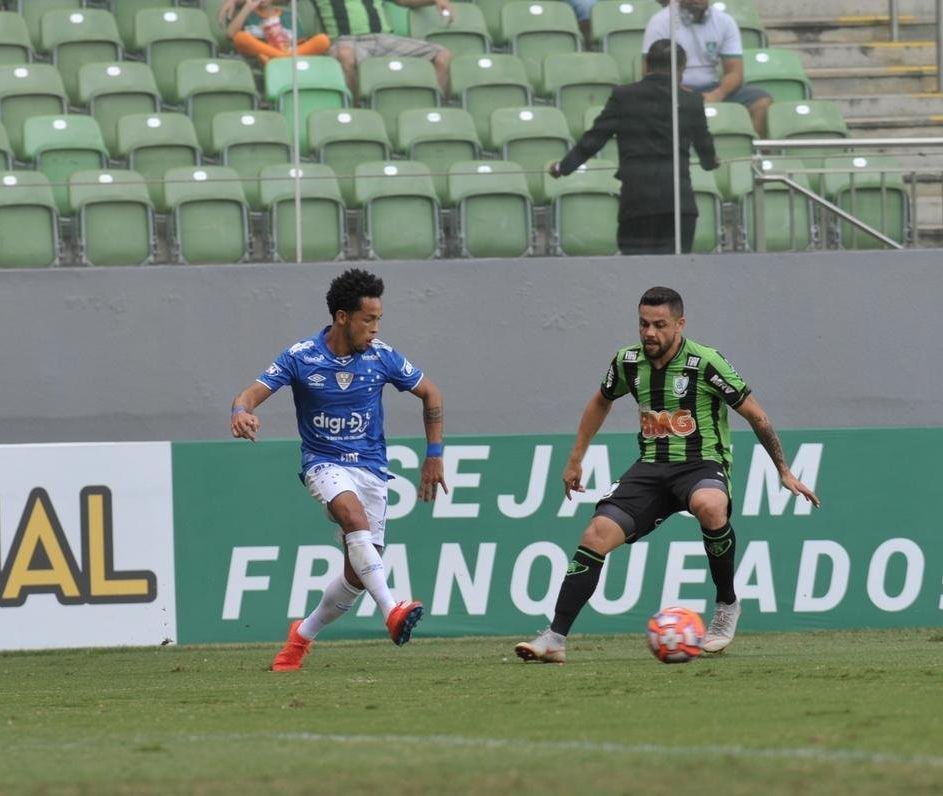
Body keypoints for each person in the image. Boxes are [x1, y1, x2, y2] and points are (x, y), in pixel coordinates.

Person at [515, 286, 820, 664]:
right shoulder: (627, 361)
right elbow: (600, 401)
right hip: (651, 469)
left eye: (659, 325)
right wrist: (575, 459)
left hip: (701, 464)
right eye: (644, 324)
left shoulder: (706, 362)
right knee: (595, 535)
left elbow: (756, 415)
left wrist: (783, 470)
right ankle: (554, 638)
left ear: (680, 324)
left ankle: (727, 604)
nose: (650, 333)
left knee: (710, 505)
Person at [230, 268, 448, 672]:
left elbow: (430, 392)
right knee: (352, 517)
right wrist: (241, 412)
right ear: (342, 317)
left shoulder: (382, 356)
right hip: (323, 463)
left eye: (379, 319)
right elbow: (250, 394)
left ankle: (301, 637)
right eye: (368, 319)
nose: (375, 328)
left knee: (356, 577)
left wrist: (434, 454)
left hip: (372, 469)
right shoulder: (301, 356)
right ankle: (392, 610)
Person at [548, 40, 718, 255]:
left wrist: (563, 167)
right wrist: (711, 162)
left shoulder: (623, 96)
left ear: (645, 64)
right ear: (680, 68)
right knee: (676, 272)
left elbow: (594, 139)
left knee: (636, 271)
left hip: (638, 204)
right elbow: (704, 146)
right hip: (678, 204)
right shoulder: (691, 100)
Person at [218, 0, 455, 96]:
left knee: (443, 54)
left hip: (382, 38)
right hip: (344, 40)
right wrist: (236, 1)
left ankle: (438, 105)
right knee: (344, 55)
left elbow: (404, 1)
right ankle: (355, 108)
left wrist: (436, 0)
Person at [642, 0, 773, 137]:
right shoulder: (660, 21)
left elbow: (735, 72)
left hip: (712, 87)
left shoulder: (725, 22)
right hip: (673, 88)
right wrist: (680, 92)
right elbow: (649, 71)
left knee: (761, 102)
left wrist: (718, 93)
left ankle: (750, 148)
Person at [225, 0, 331, 66]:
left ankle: (281, 59)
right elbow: (230, 34)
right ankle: (283, 59)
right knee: (240, 37)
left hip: (288, 55)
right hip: (260, 59)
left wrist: (283, 40)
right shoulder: (248, 14)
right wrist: (247, 8)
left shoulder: (288, 15)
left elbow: (300, 46)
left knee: (323, 40)